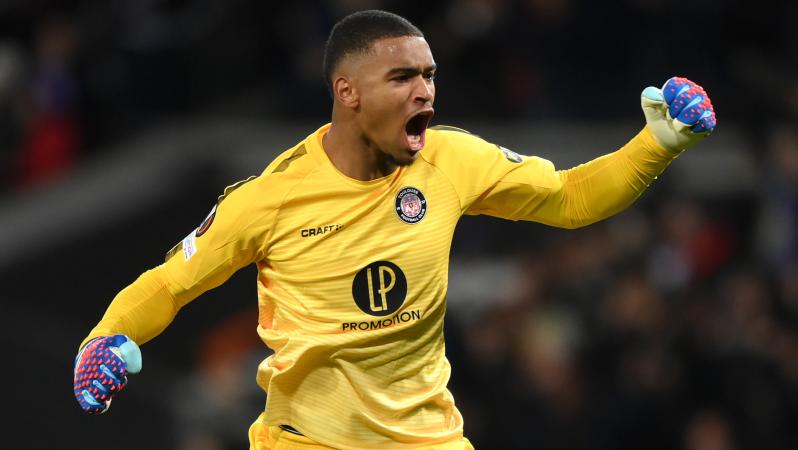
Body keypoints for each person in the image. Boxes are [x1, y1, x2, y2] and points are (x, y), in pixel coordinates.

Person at [73, 9, 716, 450]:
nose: (425, 92)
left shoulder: (451, 160)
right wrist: (103, 338)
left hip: (428, 440)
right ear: (348, 92)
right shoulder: (270, 197)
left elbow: (571, 198)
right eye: (403, 77)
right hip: (310, 442)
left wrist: (657, 144)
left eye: (429, 75)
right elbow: (170, 284)